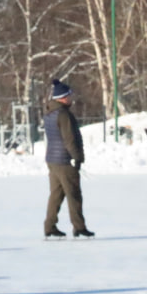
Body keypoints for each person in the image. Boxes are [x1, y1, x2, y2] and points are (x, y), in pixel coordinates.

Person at [42, 79, 92, 239]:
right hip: (65, 160)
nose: (71, 98)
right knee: (74, 194)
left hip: (52, 159)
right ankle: (79, 227)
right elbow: (69, 139)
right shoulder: (64, 115)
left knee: (56, 195)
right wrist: (77, 158)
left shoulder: (50, 113)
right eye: (69, 95)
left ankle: (49, 226)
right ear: (62, 98)